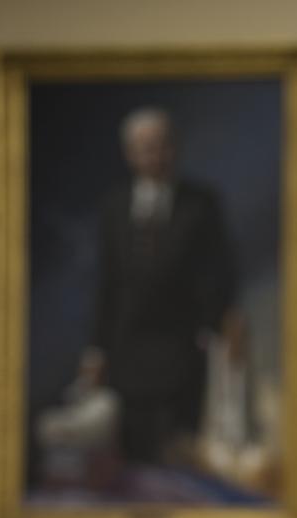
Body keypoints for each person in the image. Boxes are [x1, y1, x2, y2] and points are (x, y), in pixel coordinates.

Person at [80, 107, 239, 467]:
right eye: (146, 147)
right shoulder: (115, 206)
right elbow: (107, 283)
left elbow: (221, 273)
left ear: (175, 148)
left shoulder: (202, 205)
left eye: (163, 145)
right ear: (130, 154)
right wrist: (96, 350)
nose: (156, 155)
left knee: (179, 456)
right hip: (126, 354)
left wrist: (211, 328)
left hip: (183, 352)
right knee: (133, 459)